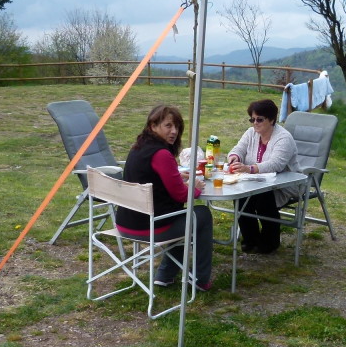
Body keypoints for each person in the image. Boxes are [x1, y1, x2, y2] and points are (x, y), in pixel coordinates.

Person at [116, 104, 213, 290]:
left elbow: (151, 176)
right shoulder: (161, 154)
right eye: (168, 126)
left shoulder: (138, 147)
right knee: (200, 214)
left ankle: (165, 275)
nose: (174, 131)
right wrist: (196, 187)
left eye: (177, 127)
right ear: (153, 126)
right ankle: (201, 280)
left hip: (125, 223)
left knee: (178, 216)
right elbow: (182, 195)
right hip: (150, 227)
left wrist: (175, 175)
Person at [226, 98, 300, 254]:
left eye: (259, 119)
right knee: (241, 197)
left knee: (262, 198)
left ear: (272, 119)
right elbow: (238, 148)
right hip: (256, 182)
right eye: (252, 119)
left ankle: (270, 242)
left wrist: (249, 168)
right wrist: (235, 158)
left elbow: (276, 164)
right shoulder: (251, 133)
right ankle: (250, 240)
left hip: (284, 184)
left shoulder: (283, 138)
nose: (255, 123)